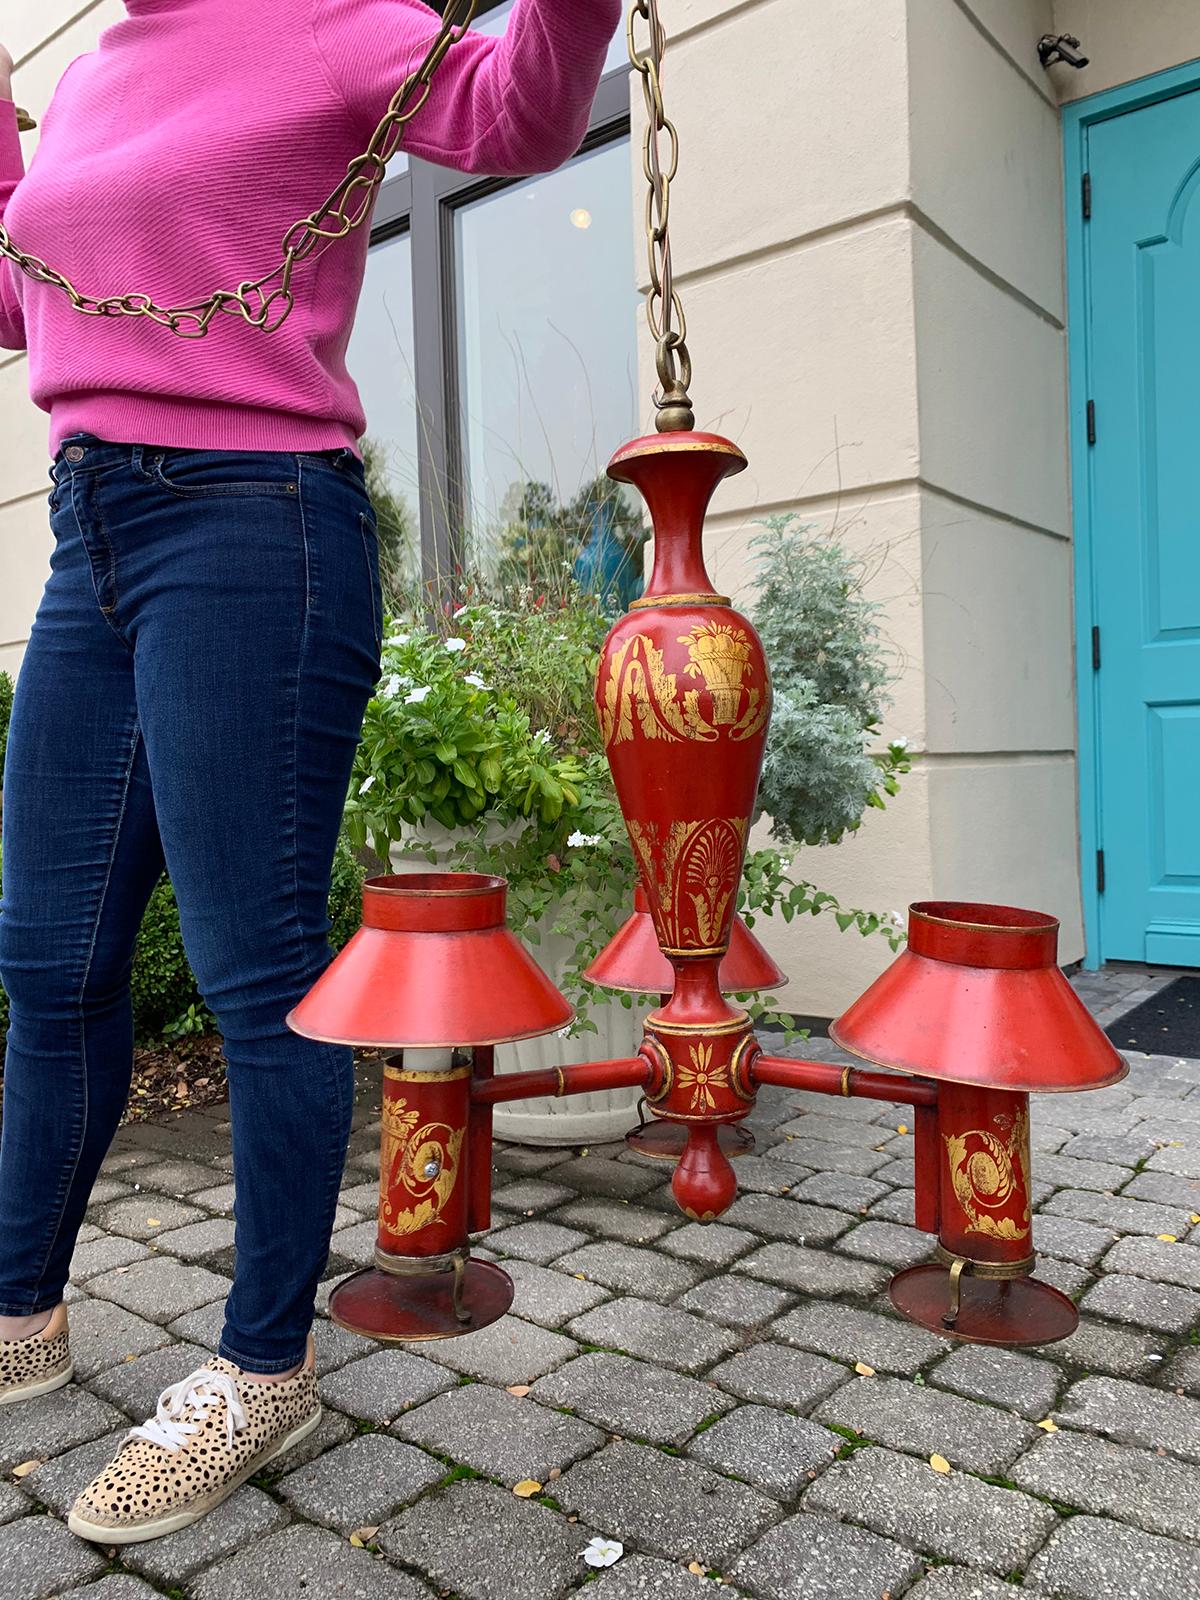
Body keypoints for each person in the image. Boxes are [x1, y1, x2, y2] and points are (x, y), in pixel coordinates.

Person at [0, 0, 619, 1545]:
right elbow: (30, 311)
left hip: (255, 521)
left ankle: (262, 1364)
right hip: (94, 530)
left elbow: (524, 119)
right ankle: (20, 1309)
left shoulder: (344, 21)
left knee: (253, 965)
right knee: (49, 960)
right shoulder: (85, 75)